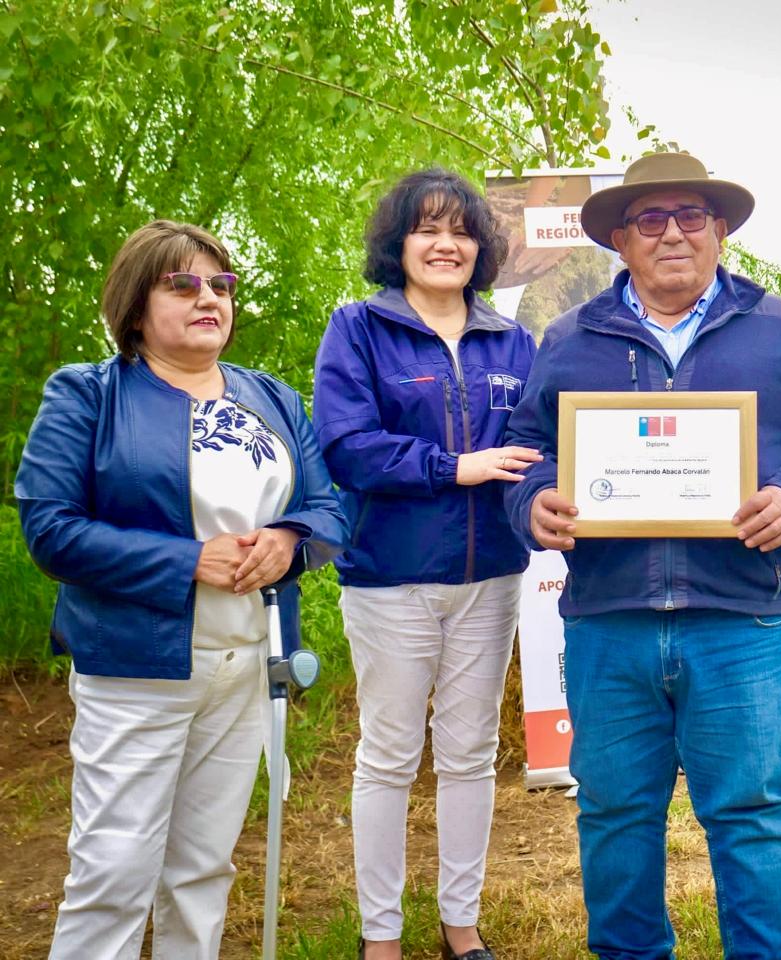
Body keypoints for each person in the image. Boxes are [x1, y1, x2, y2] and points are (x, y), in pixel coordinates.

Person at [502, 151, 781, 960]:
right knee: (613, 815)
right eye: (650, 219)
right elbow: (528, 446)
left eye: (691, 217)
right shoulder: (569, 339)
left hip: (744, 622)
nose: (673, 233)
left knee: (750, 817)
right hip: (610, 623)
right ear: (621, 241)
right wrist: (533, 498)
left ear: (719, 231)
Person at [14, 220, 347, 959]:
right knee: (113, 871)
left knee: (202, 869)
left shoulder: (273, 398)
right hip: (138, 668)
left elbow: (331, 508)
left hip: (246, 669)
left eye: (221, 285)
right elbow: (50, 528)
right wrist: (186, 561)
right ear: (136, 307)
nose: (209, 298)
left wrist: (290, 541)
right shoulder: (87, 396)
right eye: (183, 284)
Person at [312, 168, 538, 960]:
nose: (446, 244)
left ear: (482, 247)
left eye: (462, 231)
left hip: (492, 579)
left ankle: (460, 925)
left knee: (472, 751)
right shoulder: (357, 329)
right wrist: (455, 467)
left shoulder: (515, 341)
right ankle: (381, 934)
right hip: (391, 578)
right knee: (390, 752)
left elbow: (541, 449)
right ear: (398, 243)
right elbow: (347, 447)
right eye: (428, 229)